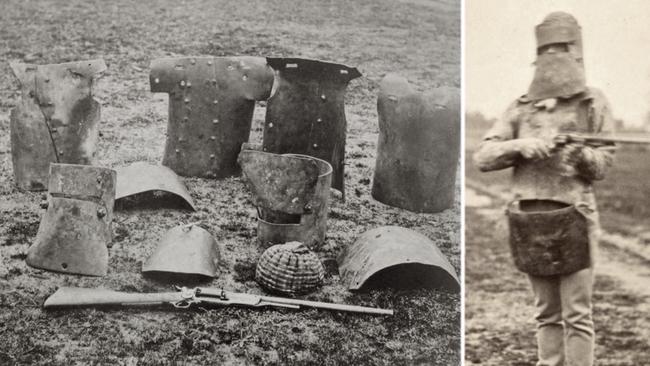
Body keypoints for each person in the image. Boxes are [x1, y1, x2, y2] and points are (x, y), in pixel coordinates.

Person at [473, 12, 615, 366]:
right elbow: (483, 157)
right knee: (546, 314)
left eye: (561, 48)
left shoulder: (592, 103)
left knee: (578, 315)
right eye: (547, 49)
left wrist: (576, 150)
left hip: (575, 217)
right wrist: (520, 146)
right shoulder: (520, 107)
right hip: (529, 221)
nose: (554, 56)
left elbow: (602, 166)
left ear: (576, 50)